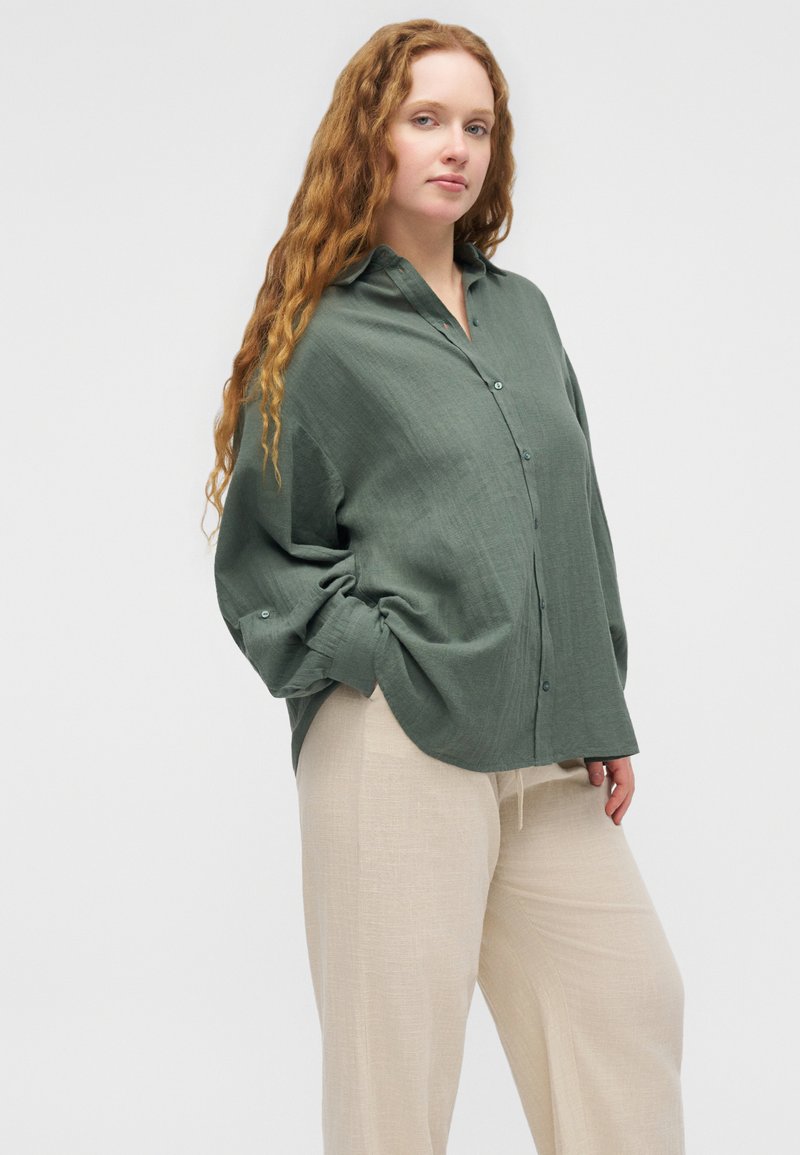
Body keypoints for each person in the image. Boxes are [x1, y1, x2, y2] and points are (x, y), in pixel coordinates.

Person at [204, 18, 686, 1155]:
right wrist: (381, 655)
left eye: (477, 124)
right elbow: (266, 560)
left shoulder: (523, 313)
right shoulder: (322, 336)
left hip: (546, 750)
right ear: (368, 136)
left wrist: (597, 702)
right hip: (398, 745)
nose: (456, 147)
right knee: (395, 1087)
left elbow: (574, 515)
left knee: (628, 1007)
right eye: (425, 119)